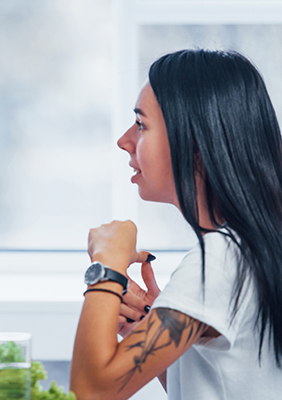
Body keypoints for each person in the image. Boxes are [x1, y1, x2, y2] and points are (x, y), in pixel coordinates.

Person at [70, 49, 282, 399]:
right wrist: (145, 328)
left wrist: (106, 266)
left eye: (141, 125)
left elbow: (90, 392)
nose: (124, 141)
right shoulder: (254, 246)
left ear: (197, 143)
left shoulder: (219, 259)